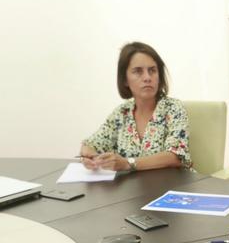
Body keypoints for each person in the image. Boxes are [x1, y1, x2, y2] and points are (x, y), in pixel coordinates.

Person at [79, 42, 192, 172]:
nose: (147, 78)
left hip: (173, 186)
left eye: (152, 70)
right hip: (133, 189)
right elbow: (91, 144)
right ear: (125, 80)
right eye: (138, 71)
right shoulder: (121, 113)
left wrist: (128, 163)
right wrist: (89, 156)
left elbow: (175, 156)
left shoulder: (174, 108)